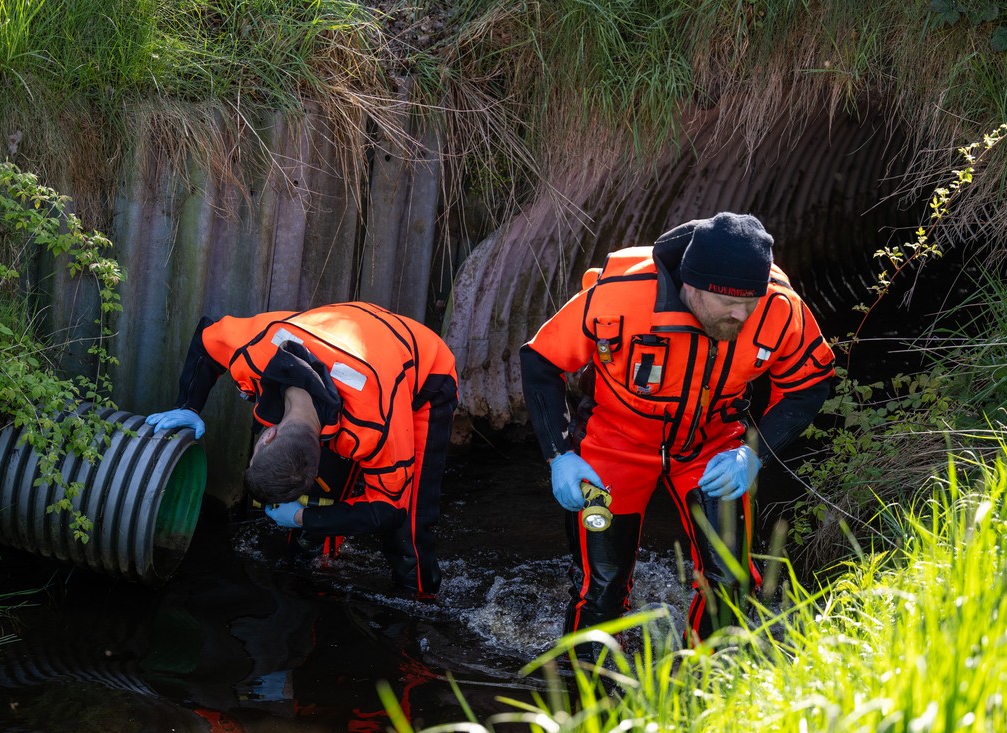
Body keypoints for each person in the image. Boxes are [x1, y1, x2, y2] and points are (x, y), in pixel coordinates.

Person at [519, 212, 835, 644]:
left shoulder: (779, 308)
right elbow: (541, 362)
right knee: (602, 588)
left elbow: (810, 384)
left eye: (750, 302)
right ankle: (588, 694)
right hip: (614, 446)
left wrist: (753, 452)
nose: (740, 315)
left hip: (712, 447)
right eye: (728, 303)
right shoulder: (619, 296)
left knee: (731, 580)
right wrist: (559, 456)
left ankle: (700, 686)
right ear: (692, 284)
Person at [145, 301, 459, 598]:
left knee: (408, 524)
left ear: (269, 437)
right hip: (348, 337)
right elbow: (207, 337)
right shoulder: (256, 351)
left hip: (424, 375)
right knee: (322, 494)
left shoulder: (372, 429)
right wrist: (188, 405)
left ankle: (421, 599)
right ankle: (317, 569)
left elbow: (389, 509)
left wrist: (300, 517)